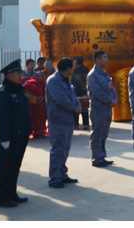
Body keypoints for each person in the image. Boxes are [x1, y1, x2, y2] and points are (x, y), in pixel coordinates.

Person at [0, 59, 31, 207]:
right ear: (8, 75)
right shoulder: (2, 92)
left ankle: (11, 193)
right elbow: (1, 117)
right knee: (4, 168)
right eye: (17, 73)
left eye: (21, 73)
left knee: (14, 167)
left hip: (21, 135)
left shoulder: (18, 89)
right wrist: (4, 138)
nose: (20, 76)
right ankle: (2, 197)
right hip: (9, 138)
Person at [46, 57, 81, 188]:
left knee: (65, 149)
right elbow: (60, 99)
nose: (73, 69)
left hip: (67, 119)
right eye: (72, 67)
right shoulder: (54, 81)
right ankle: (54, 178)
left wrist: (77, 105)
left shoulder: (66, 80)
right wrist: (74, 108)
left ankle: (62, 174)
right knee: (58, 149)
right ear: (67, 69)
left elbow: (73, 96)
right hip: (58, 120)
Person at [87, 50, 117, 167]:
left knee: (104, 133)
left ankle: (101, 156)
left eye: (106, 57)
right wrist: (109, 101)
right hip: (98, 108)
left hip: (107, 108)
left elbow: (111, 88)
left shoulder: (104, 74)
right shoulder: (93, 75)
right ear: (97, 60)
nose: (106, 60)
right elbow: (98, 92)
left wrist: (115, 99)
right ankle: (96, 158)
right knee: (97, 134)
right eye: (104, 58)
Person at [22, 59, 47, 139]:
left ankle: (39, 132)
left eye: (33, 64)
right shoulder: (22, 74)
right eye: (31, 64)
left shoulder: (37, 75)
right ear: (26, 65)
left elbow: (41, 86)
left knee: (38, 116)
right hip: (25, 99)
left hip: (36, 100)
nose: (32, 66)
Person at [71, 57, 90, 130]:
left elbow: (86, 82)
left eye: (74, 61)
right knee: (76, 107)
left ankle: (85, 124)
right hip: (76, 91)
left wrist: (85, 92)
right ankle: (77, 123)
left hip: (82, 92)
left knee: (84, 108)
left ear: (77, 61)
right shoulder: (75, 70)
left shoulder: (85, 70)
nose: (73, 62)